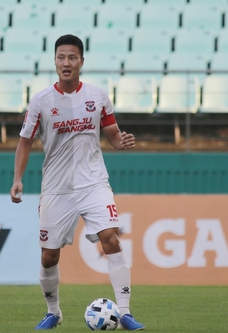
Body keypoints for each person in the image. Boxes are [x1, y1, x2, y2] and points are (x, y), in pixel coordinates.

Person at [10, 34, 145, 331]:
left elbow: (111, 132)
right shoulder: (41, 101)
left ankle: (123, 313)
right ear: (55, 61)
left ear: (82, 62)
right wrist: (18, 179)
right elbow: (24, 142)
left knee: (111, 237)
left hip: (94, 183)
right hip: (57, 188)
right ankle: (53, 312)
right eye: (61, 57)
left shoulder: (97, 96)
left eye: (72, 58)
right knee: (49, 255)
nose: (66, 63)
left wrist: (120, 142)